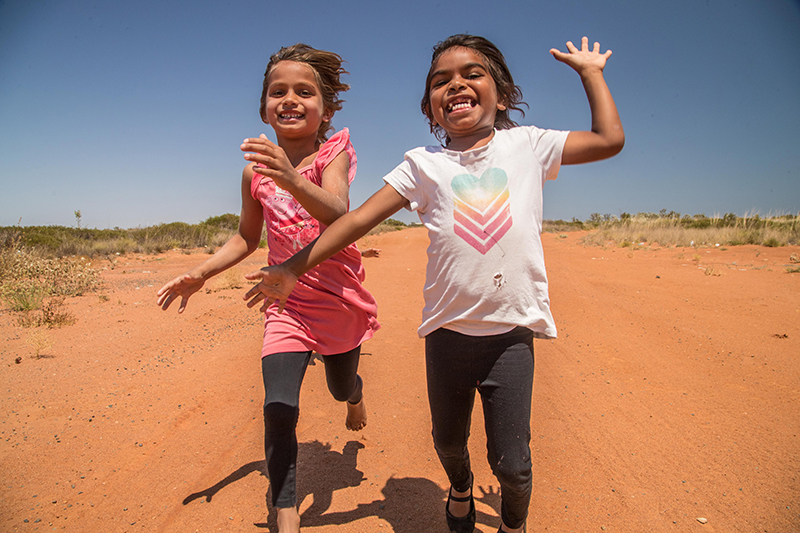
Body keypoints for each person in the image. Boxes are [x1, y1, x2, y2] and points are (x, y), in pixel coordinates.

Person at [242, 34, 624, 533]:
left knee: (513, 463)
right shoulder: (422, 165)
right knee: (447, 443)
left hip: (510, 337)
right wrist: (292, 268)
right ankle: (459, 489)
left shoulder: (528, 145)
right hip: (446, 335)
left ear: (501, 96)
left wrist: (590, 73)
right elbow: (355, 222)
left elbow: (608, 140)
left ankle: (513, 524)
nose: (457, 85)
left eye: (472, 74)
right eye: (441, 81)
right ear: (431, 109)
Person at [156, 43, 379, 533]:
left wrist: (290, 176)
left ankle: (355, 393)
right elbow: (245, 237)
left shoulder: (332, 152)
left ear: (325, 109)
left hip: (338, 299)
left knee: (340, 387)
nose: (291, 99)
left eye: (305, 91)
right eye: (278, 91)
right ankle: (285, 511)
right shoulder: (253, 171)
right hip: (286, 300)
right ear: (263, 108)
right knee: (279, 407)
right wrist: (202, 272)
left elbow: (339, 212)